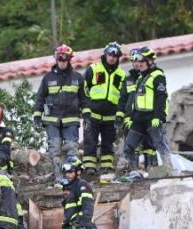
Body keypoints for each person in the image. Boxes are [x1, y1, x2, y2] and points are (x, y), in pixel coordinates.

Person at [33, 44, 84, 177]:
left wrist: (87, 117)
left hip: (71, 120)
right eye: (59, 58)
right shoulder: (48, 78)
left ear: (69, 59)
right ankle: (58, 178)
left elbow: (85, 99)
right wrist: (37, 117)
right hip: (52, 121)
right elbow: (40, 98)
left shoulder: (77, 78)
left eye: (64, 58)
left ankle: (72, 178)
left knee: (72, 149)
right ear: (56, 58)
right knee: (54, 150)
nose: (61, 60)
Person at [120, 46, 172, 173]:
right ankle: (122, 171)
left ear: (150, 61)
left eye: (142, 62)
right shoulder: (140, 77)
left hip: (151, 118)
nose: (139, 64)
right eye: (138, 62)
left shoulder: (158, 76)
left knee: (160, 144)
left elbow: (161, 97)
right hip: (138, 119)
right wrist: (131, 118)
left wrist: (158, 117)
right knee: (128, 146)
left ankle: (169, 169)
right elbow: (135, 100)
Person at [81, 42, 127, 176]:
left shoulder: (121, 74)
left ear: (118, 57)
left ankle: (106, 166)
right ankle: (89, 167)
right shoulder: (94, 69)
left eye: (115, 55)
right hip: (93, 113)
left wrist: (120, 114)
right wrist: (85, 109)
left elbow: (123, 96)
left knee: (108, 142)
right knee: (90, 141)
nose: (112, 57)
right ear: (105, 55)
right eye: (110, 55)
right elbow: (83, 90)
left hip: (111, 114)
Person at [41, 157, 95, 229]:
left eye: (70, 172)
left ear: (78, 171)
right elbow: (68, 223)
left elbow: (87, 208)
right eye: (66, 173)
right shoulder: (71, 192)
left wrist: (82, 227)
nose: (67, 175)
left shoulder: (82, 185)